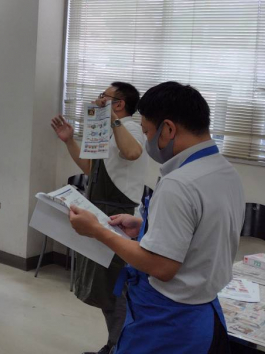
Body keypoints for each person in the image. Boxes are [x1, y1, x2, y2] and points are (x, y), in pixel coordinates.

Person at [68, 82, 244, 354]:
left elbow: (161, 266)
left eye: (148, 132)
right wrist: (145, 227)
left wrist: (98, 231)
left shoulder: (179, 183)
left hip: (169, 321)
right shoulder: (224, 171)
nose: (148, 140)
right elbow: (203, 232)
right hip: (205, 312)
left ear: (169, 129)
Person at [50, 82, 151, 354]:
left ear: (118, 104)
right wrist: (70, 140)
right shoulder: (108, 130)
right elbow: (89, 168)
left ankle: (119, 346)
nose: (97, 99)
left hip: (121, 215)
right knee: (104, 287)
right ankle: (114, 344)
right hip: (100, 210)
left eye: (104, 96)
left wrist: (114, 120)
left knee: (116, 285)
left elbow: (132, 153)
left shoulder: (130, 128)